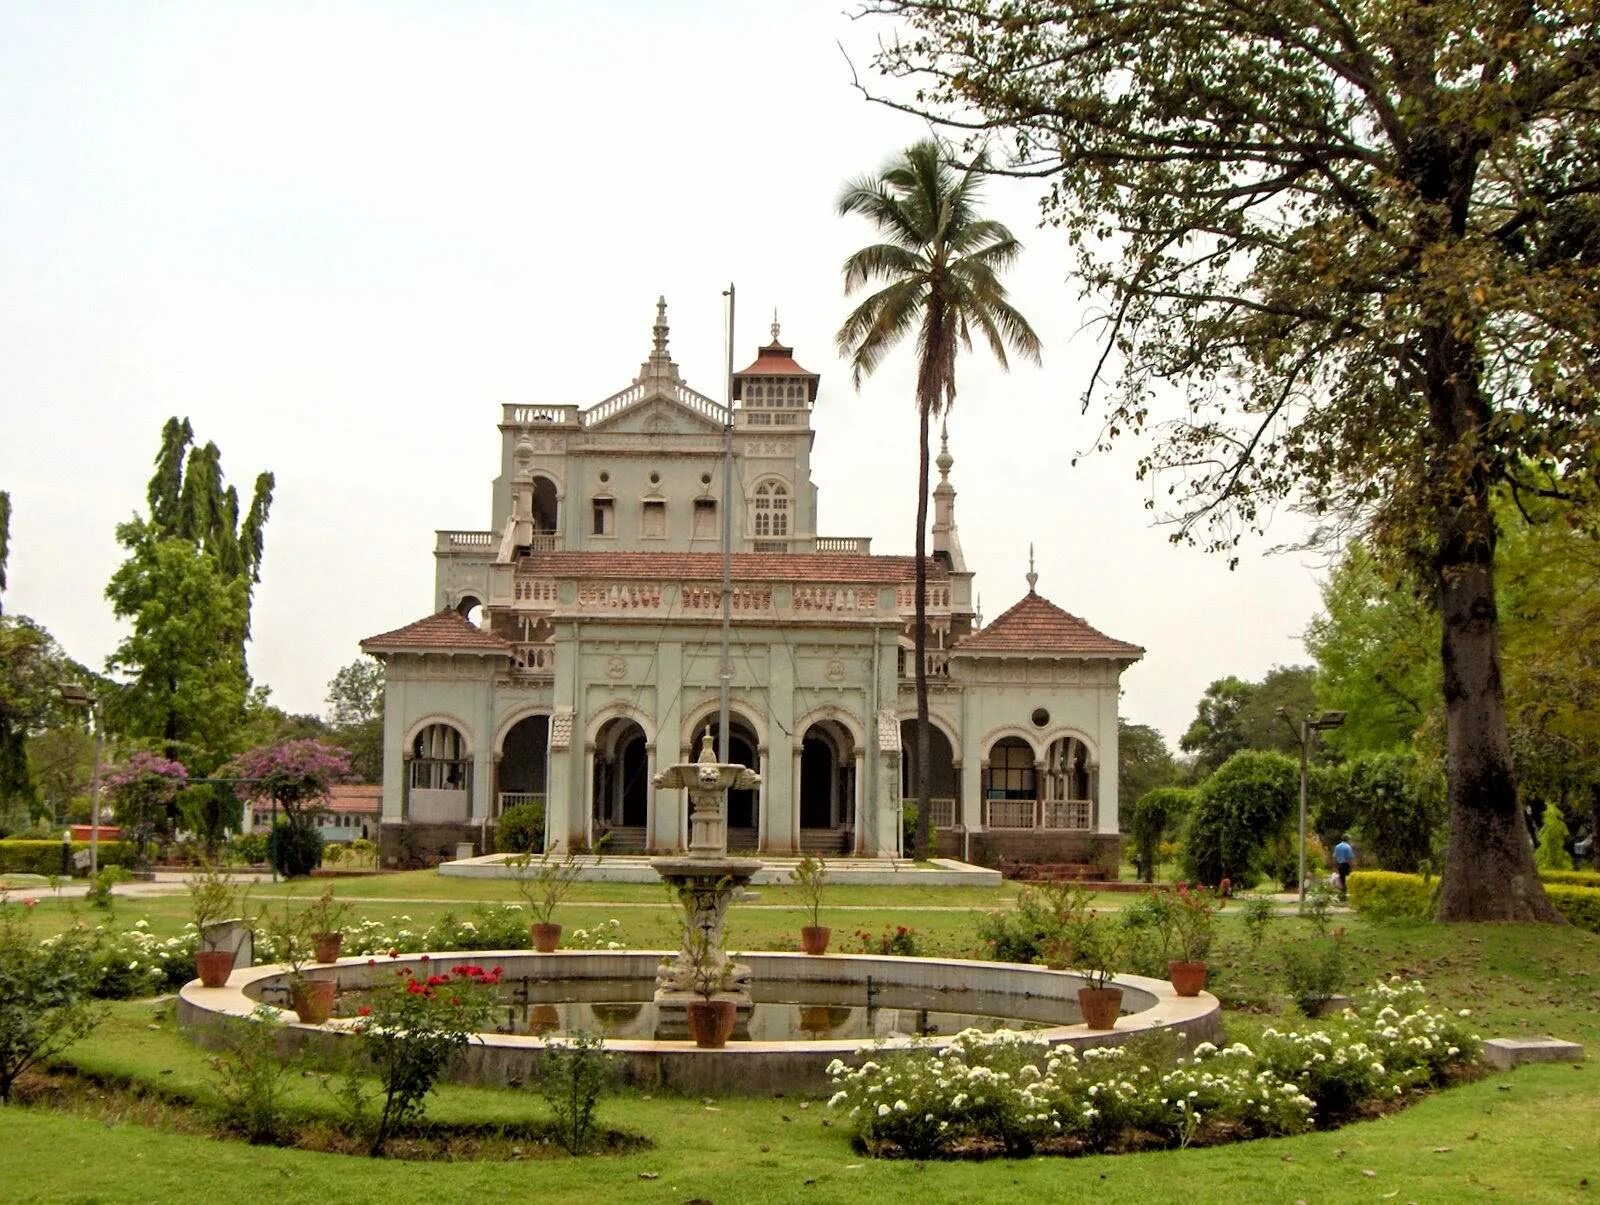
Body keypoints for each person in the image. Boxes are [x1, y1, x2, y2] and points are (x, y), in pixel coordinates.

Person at [1332, 834, 1355, 900]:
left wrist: (1334, 866)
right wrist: (1352, 866)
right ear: (1348, 840)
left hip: (1339, 865)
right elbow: (1350, 858)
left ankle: (1342, 895)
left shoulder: (1337, 846)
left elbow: (1335, 857)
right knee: (1348, 879)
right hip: (1346, 865)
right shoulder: (1348, 847)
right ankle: (1345, 894)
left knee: (1342, 880)